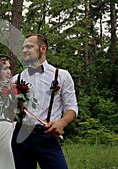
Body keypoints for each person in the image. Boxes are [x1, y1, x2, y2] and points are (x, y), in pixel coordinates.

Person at [11, 34, 78, 169]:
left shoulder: (62, 76)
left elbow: (72, 108)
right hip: (21, 137)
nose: (24, 50)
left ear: (43, 48)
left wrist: (62, 122)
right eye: (23, 47)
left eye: (29, 46)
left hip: (47, 136)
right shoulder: (15, 79)